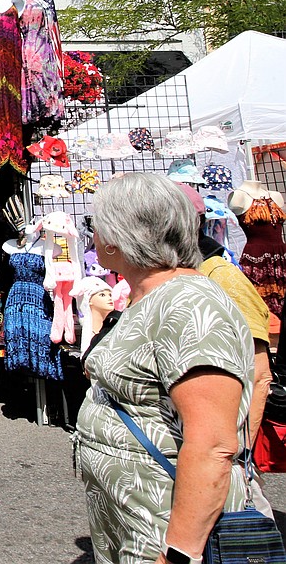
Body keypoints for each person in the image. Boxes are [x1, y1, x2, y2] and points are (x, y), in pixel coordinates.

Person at [77, 173, 254, 564]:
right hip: (137, 514)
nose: (89, 233)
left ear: (118, 236)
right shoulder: (151, 294)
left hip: (165, 526)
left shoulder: (188, 303)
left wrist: (178, 553)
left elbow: (212, 442)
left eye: (94, 222)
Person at [178, 183, 274, 433]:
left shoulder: (222, 277)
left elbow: (259, 375)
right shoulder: (162, 277)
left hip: (214, 442)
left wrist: (239, 454)